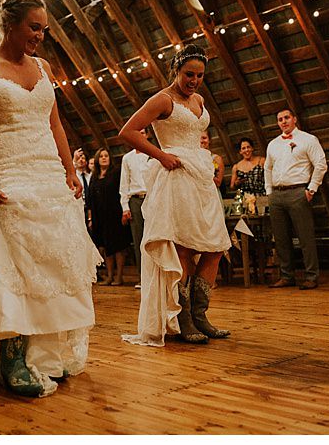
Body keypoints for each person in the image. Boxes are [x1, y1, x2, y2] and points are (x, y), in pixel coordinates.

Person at [0, 0, 101, 398]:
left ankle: (48, 353)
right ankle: (13, 357)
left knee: (55, 259)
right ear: (9, 24)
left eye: (44, 29)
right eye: (34, 27)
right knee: (14, 260)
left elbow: (57, 125)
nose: (39, 36)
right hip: (7, 168)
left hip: (47, 169)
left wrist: (70, 170)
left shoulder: (44, 67)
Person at [119, 44, 232, 346]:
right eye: (188, 74)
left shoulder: (199, 99)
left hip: (200, 174)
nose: (194, 81)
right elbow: (128, 131)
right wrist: (160, 156)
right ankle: (183, 319)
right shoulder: (162, 99)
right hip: (175, 175)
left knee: (214, 246)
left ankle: (200, 314)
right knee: (182, 247)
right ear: (176, 70)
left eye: (199, 75)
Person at [265, 107, 327, 290]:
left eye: (286, 118)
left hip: (298, 192)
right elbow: (267, 168)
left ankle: (311, 276)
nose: (283, 121)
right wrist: (269, 191)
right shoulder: (273, 144)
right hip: (276, 194)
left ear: (294, 119)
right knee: (281, 239)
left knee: (305, 237)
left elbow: (321, 164)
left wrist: (311, 189)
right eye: (279, 119)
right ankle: (286, 276)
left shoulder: (308, 140)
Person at [88, 148, 132, 286]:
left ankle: (119, 276)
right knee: (106, 247)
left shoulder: (116, 173)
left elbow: (122, 190)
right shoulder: (94, 176)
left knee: (118, 246)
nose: (104, 158)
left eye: (106, 155)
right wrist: (90, 218)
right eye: (101, 156)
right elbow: (90, 198)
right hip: (100, 216)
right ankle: (109, 275)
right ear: (97, 159)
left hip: (115, 214)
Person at [119, 129, 150, 290]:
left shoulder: (152, 155)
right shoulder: (127, 158)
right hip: (135, 200)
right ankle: (142, 277)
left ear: (148, 135)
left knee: (154, 238)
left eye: (144, 133)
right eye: (138, 132)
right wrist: (125, 207)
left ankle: (157, 277)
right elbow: (124, 184)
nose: (141, 135)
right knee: (139, 240)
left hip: (151, 199)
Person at [73, 148, 92, 229]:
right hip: (78, 208)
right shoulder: (73, 176)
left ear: (86, 162)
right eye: (79, 158)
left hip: (91, 209)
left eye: (83, 158)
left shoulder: (90, 176)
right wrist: (74, 159)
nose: (81, 160)